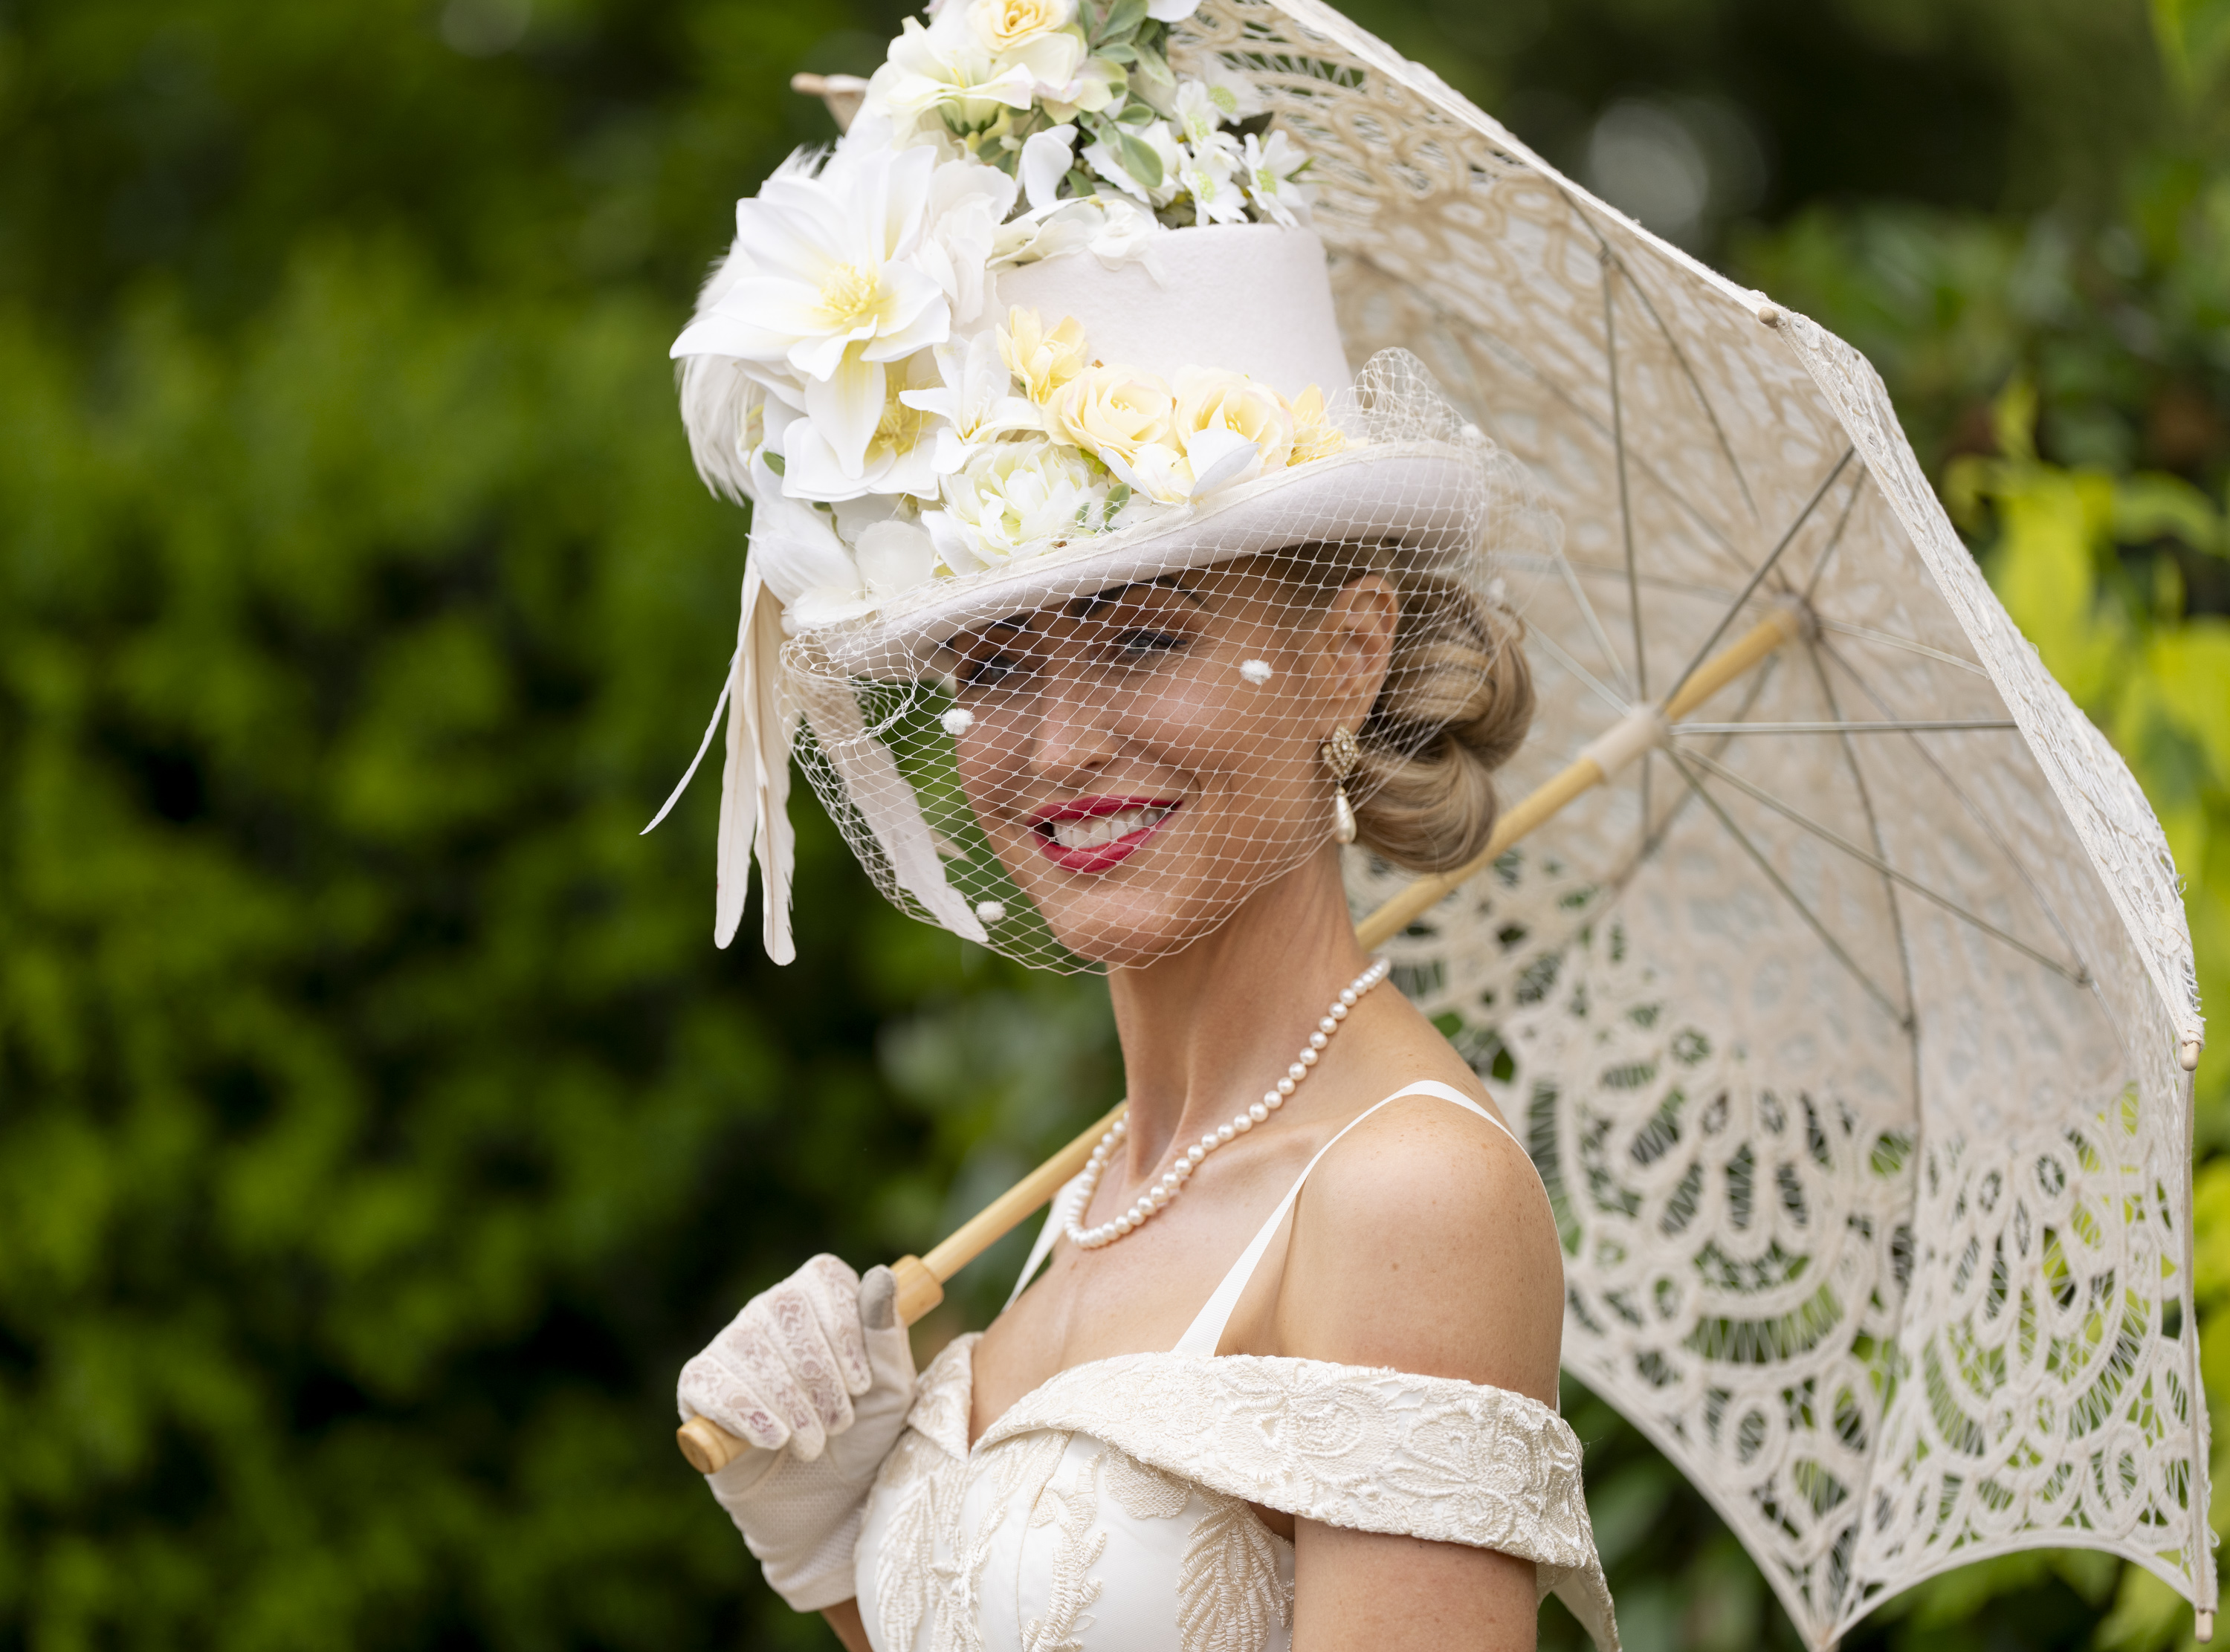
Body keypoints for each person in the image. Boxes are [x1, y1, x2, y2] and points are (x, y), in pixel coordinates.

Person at [659, 2, 1618, 1645]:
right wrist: (832, 1556)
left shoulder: (1406, 1195)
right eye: (992, 663)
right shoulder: (1099, 1191)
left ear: (1349, 649)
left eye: (1146, 638)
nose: (1056, 745)